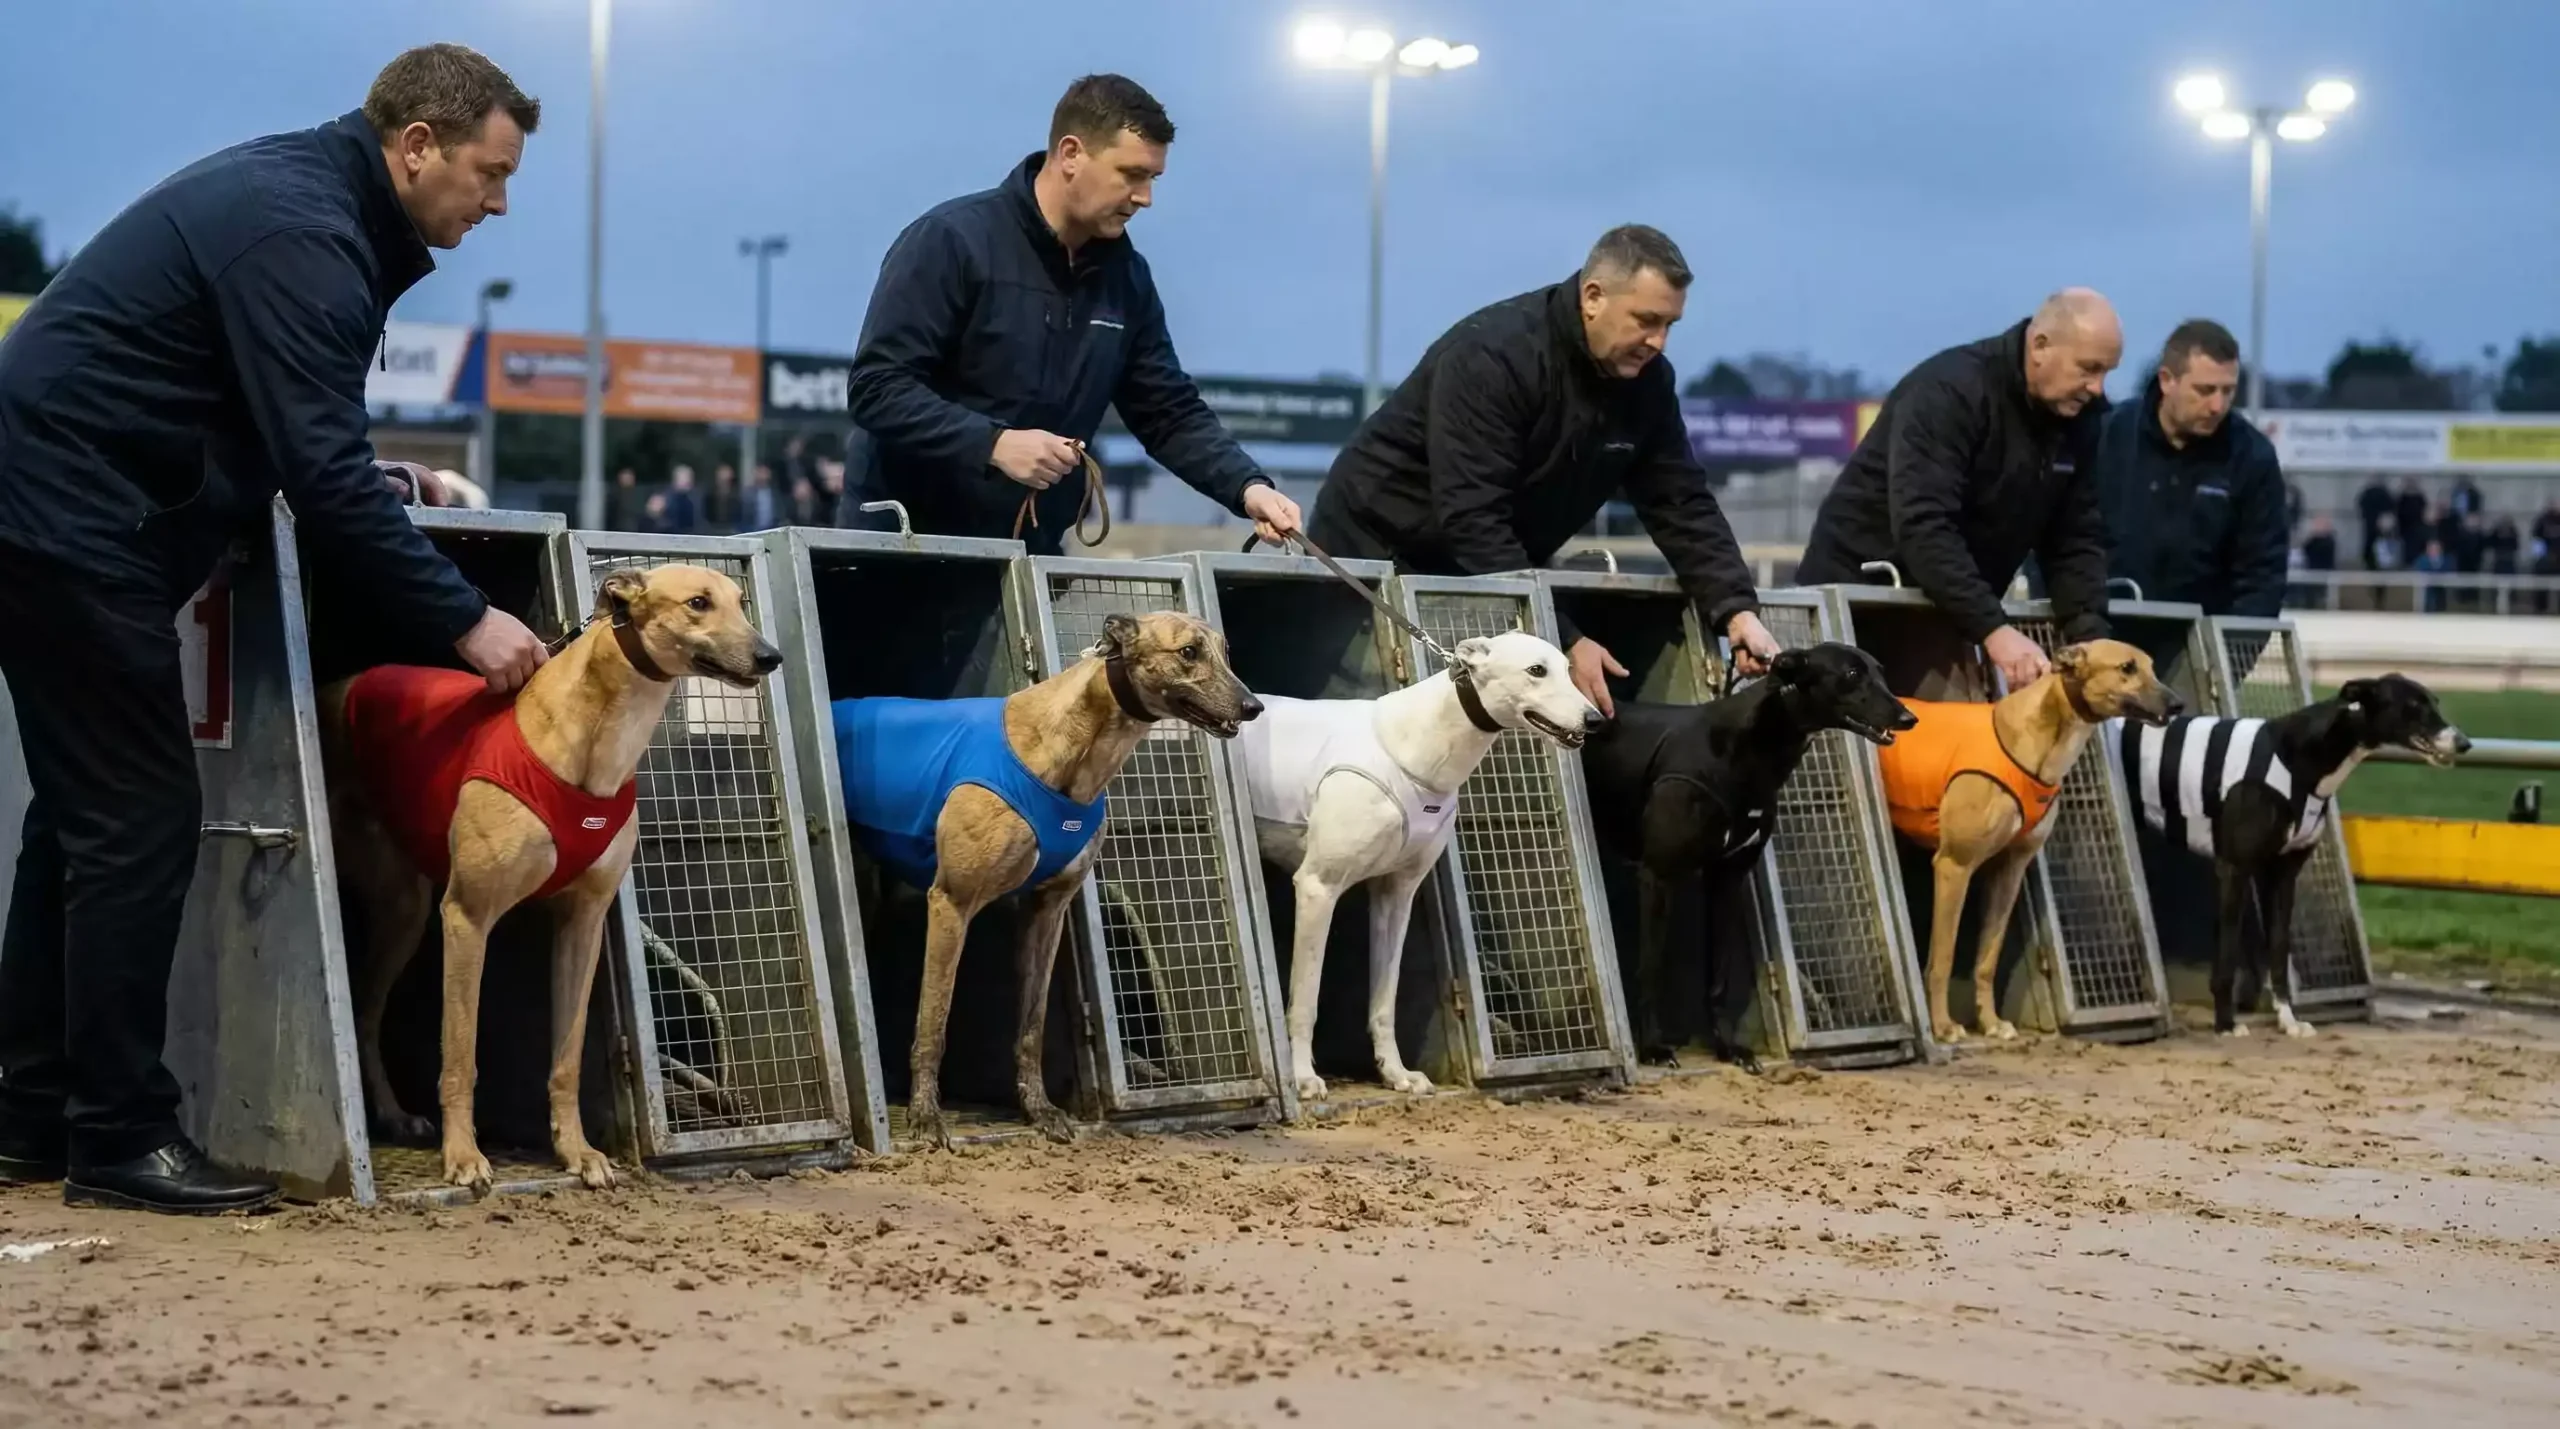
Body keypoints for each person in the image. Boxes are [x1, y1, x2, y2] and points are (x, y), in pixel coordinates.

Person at [0, 44, 550, 1214]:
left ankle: (28, 1113)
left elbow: (298, 431)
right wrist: (467, 619)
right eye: (492, 173)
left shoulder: (312, 203)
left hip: (63, 500)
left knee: (83, 820)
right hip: (68, 511)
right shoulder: (307, 231)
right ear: (417, 148)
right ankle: (118, 1137)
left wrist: (364, 475)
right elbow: (324, 473)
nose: (499, 202)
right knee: (139, 819)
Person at [1307, 225, 1776, 713]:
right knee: (1386, 730)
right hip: (1372, 559)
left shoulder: (1647, 383)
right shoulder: (1493, 357)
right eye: (1646, 320)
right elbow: (1473, 517)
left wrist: (1736, 611)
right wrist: (1562, 641)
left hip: (1482, 566)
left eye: (1670, 325)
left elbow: (1680, 502)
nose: (1658, 341)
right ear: (1592, 297)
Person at [843, 74, 1301, 552]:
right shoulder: (950, 241)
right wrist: (994, 444)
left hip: (1028, 554)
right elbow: (878, 387)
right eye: (1132, 174)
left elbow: (1168, 412)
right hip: (904, 552)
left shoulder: (1128, 278)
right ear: (1070, 154)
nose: (1145, 197)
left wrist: (1248, 487)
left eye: (1153, 178)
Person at [1795, 290, 2121, 698]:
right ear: (2040, 346)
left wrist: (2090, 639)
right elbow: (1924, 525)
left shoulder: (2080, 420)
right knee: (1945, 723)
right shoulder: (1950, 392)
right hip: (1859, 597)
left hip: (1944, 605)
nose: (2097, 388)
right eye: (2089, 369)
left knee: (1972, 723)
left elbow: (2074, 539)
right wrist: (1994, 630)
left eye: (2107, 372)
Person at [2092, 319, 2288, 619]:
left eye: (2228, 391)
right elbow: (2062, 540)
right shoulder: (2106, 437)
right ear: (2167, 380)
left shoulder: (2253, 456)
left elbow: (2263, 576)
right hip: (2102, 634)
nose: (2217, 406)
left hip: (2205, 641)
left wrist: (2233, 647)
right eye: (2205, 390)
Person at [663, 464, 700, 534]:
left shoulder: (697, 498)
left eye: (687, 478)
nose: (685, 481)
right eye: (682, 478)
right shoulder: (666, 498)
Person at [607, 465, 644, 531]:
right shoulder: (614, 496)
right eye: (625, 478)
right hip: (618, 529)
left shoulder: (639, 495)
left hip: (636, 529)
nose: (627, 480)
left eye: (629, 478)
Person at [707, 461, 739, 532]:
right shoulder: (709, 495)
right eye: (721, 474)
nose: (723, 477)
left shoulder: (737, 496)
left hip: (732, 529)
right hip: (713, 529)